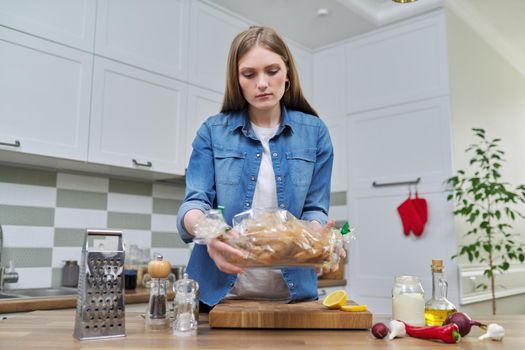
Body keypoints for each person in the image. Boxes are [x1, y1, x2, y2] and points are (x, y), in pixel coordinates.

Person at [176, 26, 344, 312]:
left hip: (292, 300)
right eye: (249, 74)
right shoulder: (213, 131)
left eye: (272, 70)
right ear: (237, 79)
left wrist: (317, 240)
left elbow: (315, 209)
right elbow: (194, 204)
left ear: (288, 72)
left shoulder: (314, 133)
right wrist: (210, 234)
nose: (262, 83)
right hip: (218, 298)